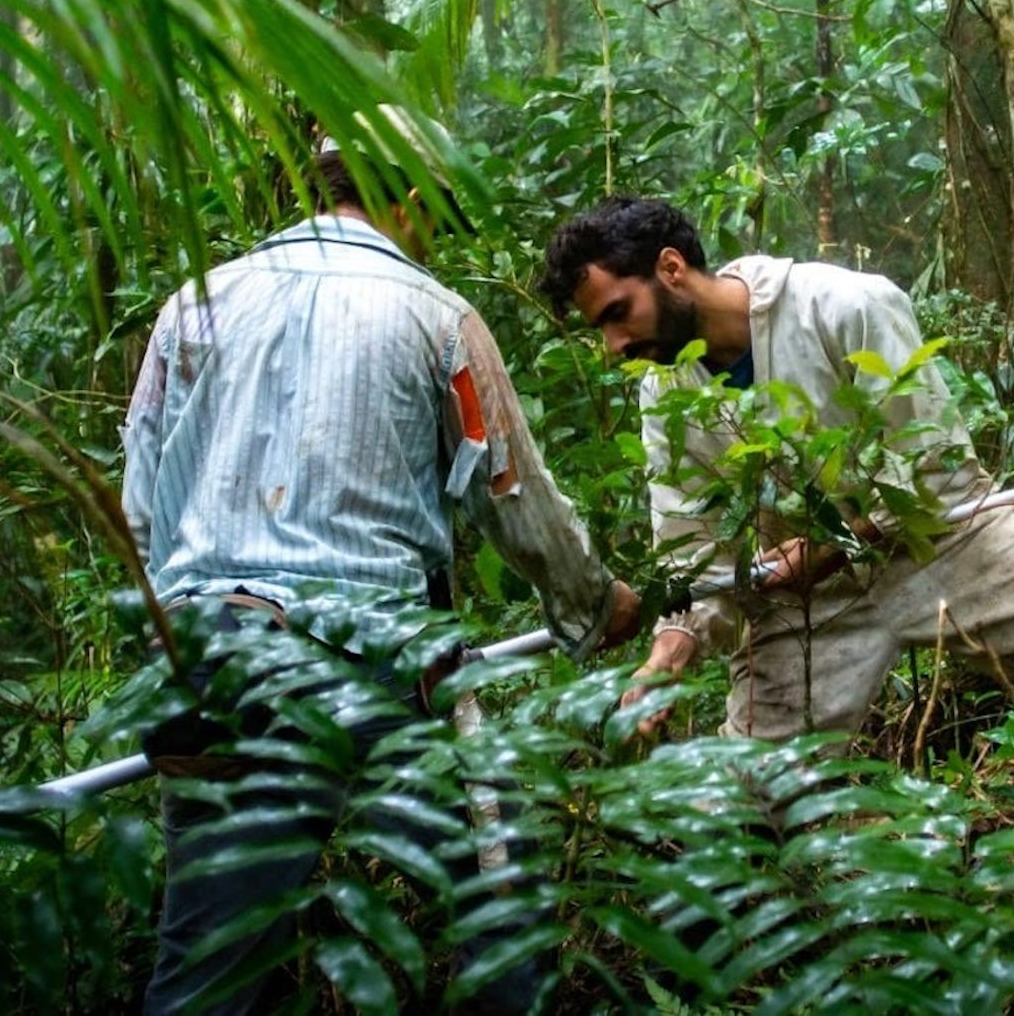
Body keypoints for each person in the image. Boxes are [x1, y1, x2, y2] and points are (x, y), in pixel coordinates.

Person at [121, 126, 639, 1015]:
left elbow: (136, 504)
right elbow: (513, 498)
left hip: (209, 652)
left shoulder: (190, 307)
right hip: (370, 656)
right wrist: (595, 607)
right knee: (495, 902)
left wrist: (179, 631)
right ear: (408, 203)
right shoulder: (434, 314)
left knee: (209, 962)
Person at [536, 196, 1014, 746]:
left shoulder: (844, 306)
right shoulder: (665, 387)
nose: (614, 347)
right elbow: (691, 546)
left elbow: (935, 465)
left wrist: (841, 542)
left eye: (618, 313)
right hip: (808, 596)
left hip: (943, 538)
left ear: (671, 268)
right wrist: (669, 653)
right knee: (747, 795)